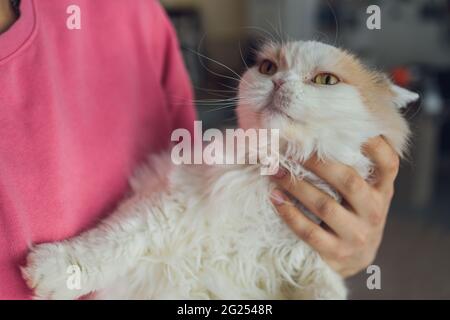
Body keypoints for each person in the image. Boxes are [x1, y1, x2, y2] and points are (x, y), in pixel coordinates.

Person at [0, 0, 400, 299]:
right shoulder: (223, 163)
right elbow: (174, 203)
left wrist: (346, 251)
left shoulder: (129, 11)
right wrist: (86, 263)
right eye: (268, 67)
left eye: (325, 79)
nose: (281, 81)